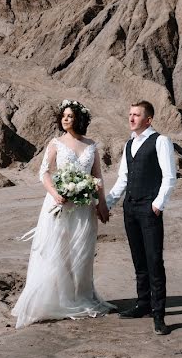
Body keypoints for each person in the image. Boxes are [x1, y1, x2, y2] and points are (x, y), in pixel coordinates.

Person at [11, 99, 114, 328]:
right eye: (64, 116)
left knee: (81, 252)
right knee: (57, 251)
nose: (65, 119)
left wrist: (102, 203)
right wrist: (56, 193)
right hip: (59, 205)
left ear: (79, 119)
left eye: (70, 116)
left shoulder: (91, 145)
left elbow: (98, 177)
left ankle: (80, 297)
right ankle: (57, 300)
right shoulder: (56, 143)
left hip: (84, 207)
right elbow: (44, 173)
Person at [105, 100, 177, 336]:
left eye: (136, 114)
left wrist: (157, 205)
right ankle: (143, 303)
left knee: (154, 260)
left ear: (149, 119)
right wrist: (107, 204)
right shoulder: (129, 145)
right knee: (139, 260)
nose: (131, 118)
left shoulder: (161, 141)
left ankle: (159, 315)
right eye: (130, 114)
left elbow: (169, 176)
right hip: (130, 209)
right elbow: (123, 179)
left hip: (148, 208)